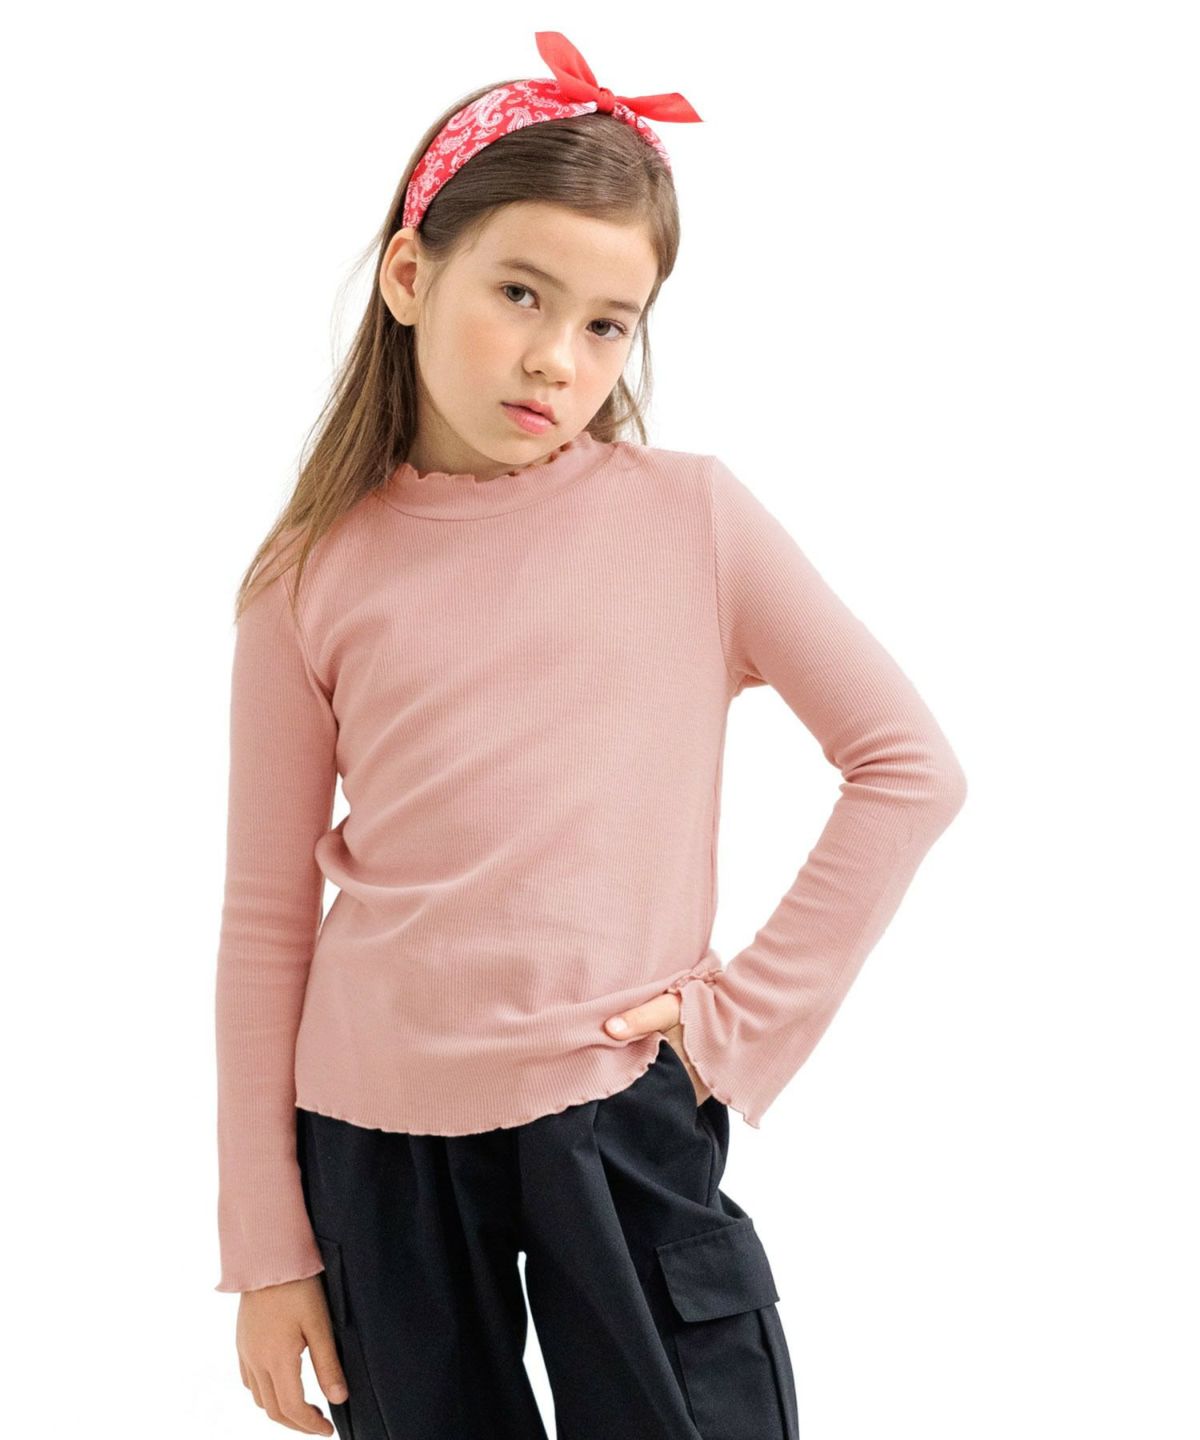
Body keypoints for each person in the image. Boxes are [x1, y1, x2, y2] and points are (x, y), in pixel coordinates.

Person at [213, 30, 968, 1440]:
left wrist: (742, 1022)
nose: (556, 358)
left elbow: (907, 768)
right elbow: (265, 920)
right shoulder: (309, 579)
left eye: (609, 323)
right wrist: (267, 1249)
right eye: (519, 293)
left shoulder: (691, 521)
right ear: (409, 275)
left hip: (620, 1100)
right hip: (373, 1139)